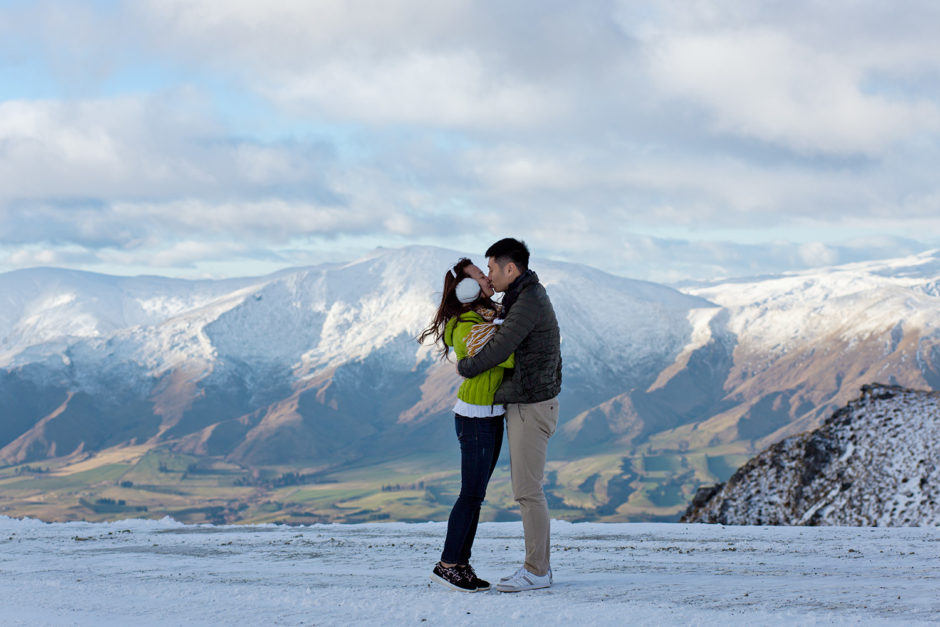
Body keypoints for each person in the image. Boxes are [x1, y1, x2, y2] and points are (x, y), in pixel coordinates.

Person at [456, 238, 562, 593]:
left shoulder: (528, 301)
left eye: (491, 268)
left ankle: (536, 570)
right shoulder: (523, 295)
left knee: (528, 491)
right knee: (528, 490)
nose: (489, 275)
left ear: (510, 269)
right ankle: (539, 569)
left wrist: (466, 367)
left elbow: (501, 347)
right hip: (528, 402)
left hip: (531, 406)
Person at [418, 257, 514, 592]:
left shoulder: (485, 317)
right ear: (467, 288)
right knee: (470, 495)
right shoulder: (468, 325)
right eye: (479, 276)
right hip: (476, 418)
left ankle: (460, 564)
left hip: (489, 414)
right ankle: (447, 564)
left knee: (476, 495)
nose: (488, 279)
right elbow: (506, 355)